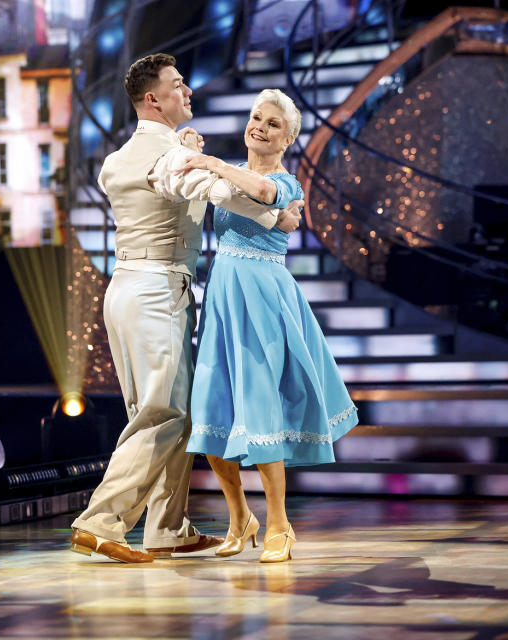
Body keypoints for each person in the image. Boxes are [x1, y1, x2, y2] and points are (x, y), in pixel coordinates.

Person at [70, 54, 302, 564]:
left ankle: (168, 527)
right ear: (154, 98)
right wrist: (274, 216)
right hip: (159, 291)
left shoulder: (115, 160)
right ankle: (100, 522)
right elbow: (216, 190)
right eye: (178, 86)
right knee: (167, 415)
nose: (188, 93)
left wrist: (184, 148)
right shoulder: (173, 158)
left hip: (122, 288)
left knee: (157, 411)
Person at [181, 89, 359, 563]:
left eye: (273, 123)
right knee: (210, 410)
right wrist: (189, 148)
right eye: (256, 117)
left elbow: (263, 193)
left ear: (289, 138)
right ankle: (240, 518)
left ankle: (280, 523)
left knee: (261, 406)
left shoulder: (288, 184)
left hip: (264, 297)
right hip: (223, 293)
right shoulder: (230, 179)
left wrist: (213, 164)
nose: (260, 126)